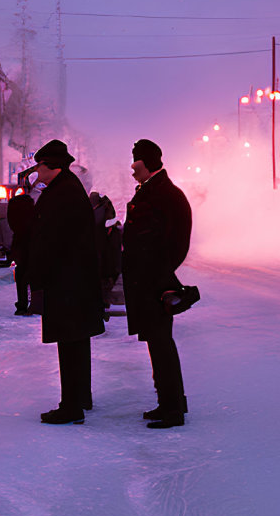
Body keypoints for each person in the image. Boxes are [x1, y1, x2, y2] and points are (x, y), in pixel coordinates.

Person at [27, 140, 105, 425]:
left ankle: (71, 405)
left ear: (53, 166)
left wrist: (40, 271)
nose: (37, 170)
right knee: (76, 340)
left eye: (40, 165)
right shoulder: (68, 188)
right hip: (74, 279)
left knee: (69, 343)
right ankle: (80, 396)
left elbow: (51, 238)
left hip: (66, 281)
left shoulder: (63, 193)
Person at [122, 139, 192, 429]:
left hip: (154, 281)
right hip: (151, 279)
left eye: (135, 161)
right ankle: (169, 403)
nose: (131, 168)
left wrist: (159, 274)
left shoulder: (162, 193)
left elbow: (170, 241)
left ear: (145, 162)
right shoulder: (157, 190)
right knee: (158, 343)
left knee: (161, 345)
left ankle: (172, 409)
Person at [6, 190, 35, 315]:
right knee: (32, 275)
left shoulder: (14, 210)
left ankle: (22, 305)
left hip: (19, 245)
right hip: (32, 245)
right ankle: (33, 303)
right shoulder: (31, 212)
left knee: (21, 276)